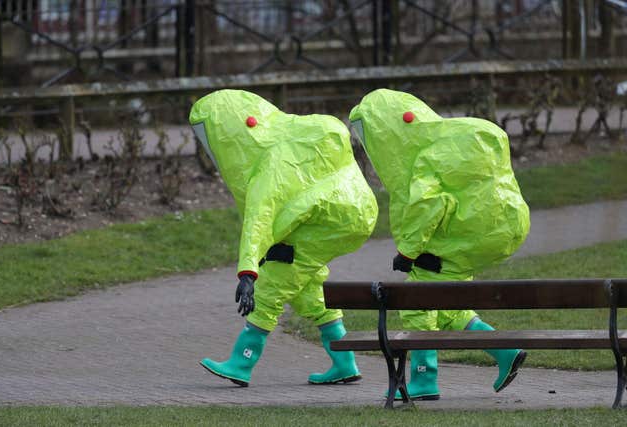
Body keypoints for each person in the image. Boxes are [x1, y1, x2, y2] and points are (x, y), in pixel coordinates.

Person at [349, 88, 530, 400]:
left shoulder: (424, 157)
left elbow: (429, 205)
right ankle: (505, 351)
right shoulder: (444, 146)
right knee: (447, 302)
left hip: (458, 241)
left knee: (418, 298)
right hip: (487, 234)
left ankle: (423, 379)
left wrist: (408, 252)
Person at [190, 89, 378, 387]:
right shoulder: (294, 138)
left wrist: (249, 272)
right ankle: (345, 362)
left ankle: (242, 362)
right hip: (349, 214)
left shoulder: (273, 162)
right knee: (309, 288)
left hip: (324, 221)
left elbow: (260, 218)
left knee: (273, 281)